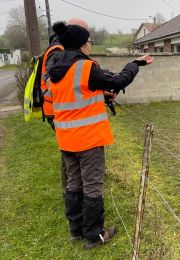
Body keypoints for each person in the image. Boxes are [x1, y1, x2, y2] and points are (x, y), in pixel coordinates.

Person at [49, 20, 153, 249]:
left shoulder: (55, 68)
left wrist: (102, 96)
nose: (90, 45)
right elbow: (118, 81)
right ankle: (95, 235)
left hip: (66, 140)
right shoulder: (85, 67)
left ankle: (76, 230)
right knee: (93, 187)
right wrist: (134, 64)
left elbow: (76, 97)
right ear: (82, 44)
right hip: (88, 140)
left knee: (74, 185)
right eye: (89, 41)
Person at [42, 18, 91, 194]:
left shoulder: (59, 47)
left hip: (59, 107)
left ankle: (75, 188)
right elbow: (53, 80)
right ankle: (71, 191)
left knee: (70, 151)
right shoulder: (58, 50)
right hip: (56, 109)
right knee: (69, 152)